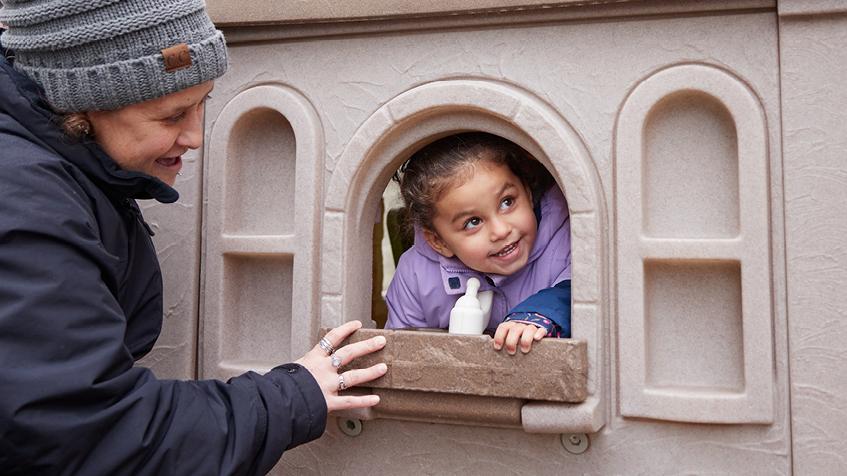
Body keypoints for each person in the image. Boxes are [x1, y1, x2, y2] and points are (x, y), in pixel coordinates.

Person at [0, 1, 386, 474]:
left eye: (203, 102)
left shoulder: (48, 171)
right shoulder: (26, 208)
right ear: (81, 104)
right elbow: (86, 435)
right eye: (171, 115)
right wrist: (291, 396)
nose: (196, 136)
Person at [385, 132, 572, 354]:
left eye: (507, 202)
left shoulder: (567, 235)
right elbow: (403, 354)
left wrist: (540, 314)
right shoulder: (416, 275)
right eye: (473, 222)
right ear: (438, 241)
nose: (501, 231)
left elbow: (582, 291)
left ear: (528, 192)